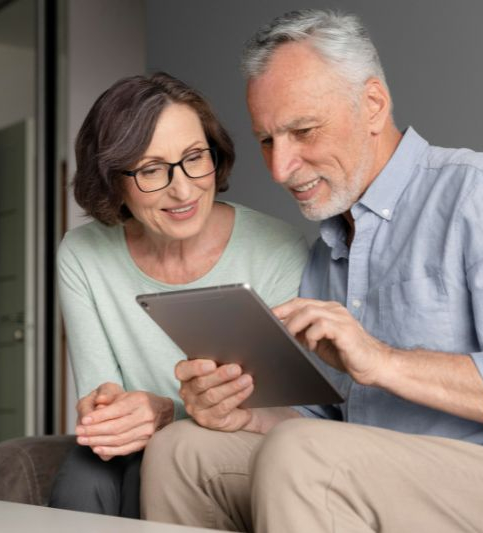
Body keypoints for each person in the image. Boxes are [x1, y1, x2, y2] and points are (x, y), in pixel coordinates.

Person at [139, 10, 483, 533]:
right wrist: (245, 415)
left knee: (307, 456)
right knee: (182, 450)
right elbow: (331, 424)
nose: (281, 168)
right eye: (267, 140)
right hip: (388, 474)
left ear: (372, 104)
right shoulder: (327, 253)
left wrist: (384, 361)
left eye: (303, 130)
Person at [47, 72, 308, 518]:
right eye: (151, 169)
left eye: (194, 158)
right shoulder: (83, 253)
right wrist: (106, 410)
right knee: (89, 467)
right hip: (132, 451)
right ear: (113, 180)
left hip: (239, 442)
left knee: (155, 461)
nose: (183, 189)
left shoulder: (277, 250)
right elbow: (103, 400)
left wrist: (169, 413)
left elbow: (291, 411)